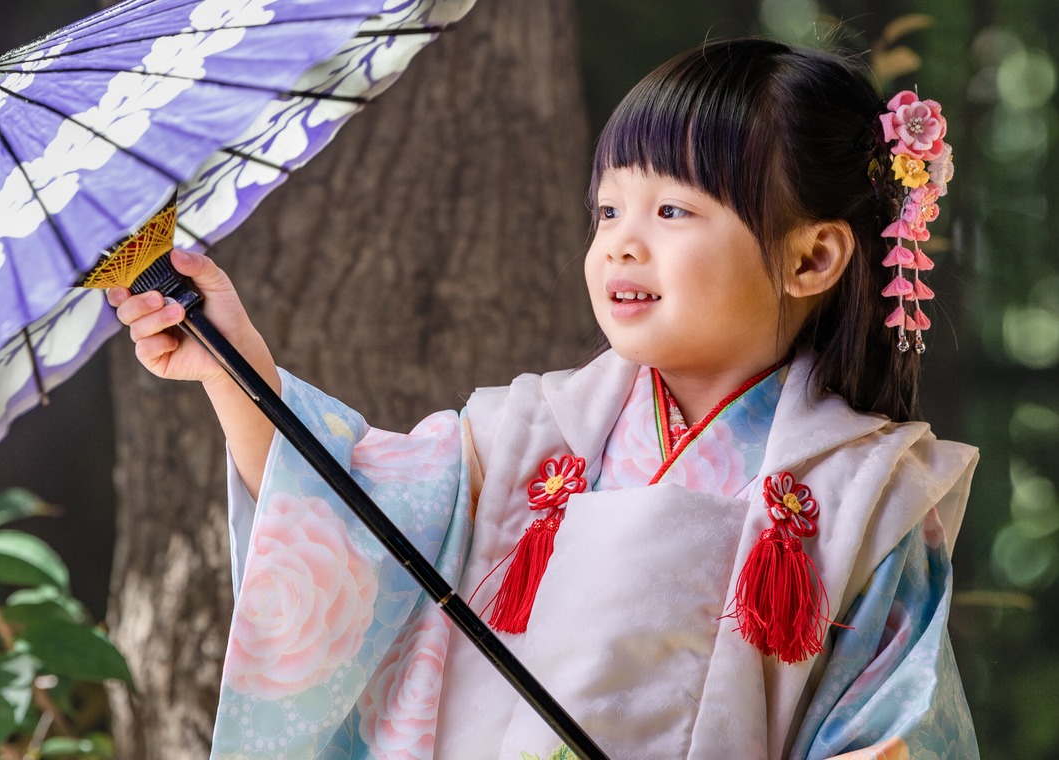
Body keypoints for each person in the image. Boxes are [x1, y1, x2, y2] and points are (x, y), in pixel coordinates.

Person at [109, 38, 976, 760]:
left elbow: (890, 730)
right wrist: (234, 369)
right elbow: (342, 520)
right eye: (607, 211)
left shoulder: (868, 496)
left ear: (812, 259)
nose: (621, 245)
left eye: (671, 211)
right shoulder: (522, 437)